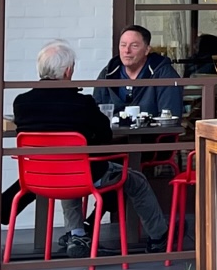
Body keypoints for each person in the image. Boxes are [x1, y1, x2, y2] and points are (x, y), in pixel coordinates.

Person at [12, 40, 169, 258]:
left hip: (39, 175)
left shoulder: (21, 102)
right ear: (68, 71)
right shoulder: (82, 103)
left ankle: (77, 234)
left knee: (69, 164)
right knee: (136, 180)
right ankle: (159, 237)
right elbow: (105, 136)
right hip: (82, 174)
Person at [94, 25, 183, 118]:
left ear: (147, 50)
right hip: (113, 132)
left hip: (152, 131)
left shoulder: (163, 73)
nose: (127, 50)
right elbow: (95, 113)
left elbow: (170, 117)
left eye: (134, 46)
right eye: (123, 45)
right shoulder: (109, 72)